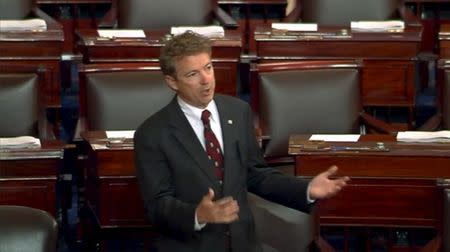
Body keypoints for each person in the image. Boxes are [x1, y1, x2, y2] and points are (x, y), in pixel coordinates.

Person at [134, 31, 349, 252]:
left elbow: (255, 174)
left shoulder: (237, 111)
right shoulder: (152, 133)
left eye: (208, 68)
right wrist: (198, 214)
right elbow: (157, 206)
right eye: (192, 74)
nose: (206, 80)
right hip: (192, 245)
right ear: (172, 82)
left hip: (242, 243)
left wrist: (306, 189)